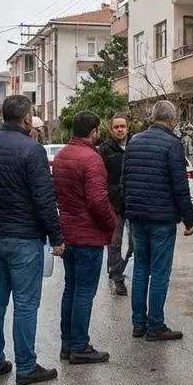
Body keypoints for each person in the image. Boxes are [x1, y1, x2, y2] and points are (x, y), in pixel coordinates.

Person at [0, 95, 64, 385]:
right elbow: (44, 197)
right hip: (24, 238)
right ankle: (26, 366)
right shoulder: (32, 150)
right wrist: (56, 236)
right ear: (26, 118)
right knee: (25, 303)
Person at [120, 100, 193, 342]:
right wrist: (189, 218)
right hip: (162, 219)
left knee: (141, 268)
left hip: (137, 217)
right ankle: (155, 325)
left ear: (152, 117)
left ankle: (138, 324)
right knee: (160, 272)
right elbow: (180, 186)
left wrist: (128, 208)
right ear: (172, 120)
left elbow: (125, 179)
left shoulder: (134, 141)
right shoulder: (173, 144)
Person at [52, 111, 116, 364]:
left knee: (70, 288)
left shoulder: (61, 155)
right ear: (94, 132)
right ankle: (80, 346)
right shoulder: (92, 159)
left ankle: (67, 343)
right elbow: (98, 200)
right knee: (84, 293)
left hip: (67, 232)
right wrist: (111, 223)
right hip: (88, 235)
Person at [97, 111, 131, 296]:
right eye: (116, 127)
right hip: (114, 203)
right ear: (111, 129)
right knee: (115, 242)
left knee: (135, 244)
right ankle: (117, 276)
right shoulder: (105, 149)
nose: (120, 130)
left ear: (128, 128)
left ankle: (119, 267)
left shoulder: (135, 144)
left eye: (122, 126)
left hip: (134, 202)